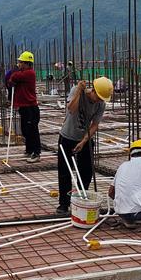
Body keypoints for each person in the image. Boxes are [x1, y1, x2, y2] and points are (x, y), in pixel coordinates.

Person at [56, 77, 113, 215]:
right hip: (67, 137)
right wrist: (79, 91)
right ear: (93, 90)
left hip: (84, 139)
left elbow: (95, 125)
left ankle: (81, 199)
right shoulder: (77, 91)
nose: (99, 100)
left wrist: (83, 141)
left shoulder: (101, 104)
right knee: (65, 172)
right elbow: (71, 109)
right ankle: (64, 204)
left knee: (86, 172)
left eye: (101, 98)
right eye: (98, 97)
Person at [8, 51, 42, 163]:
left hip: (30, 107)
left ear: (27, 63)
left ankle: (36, 152)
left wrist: (13, 76)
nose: (19, 64)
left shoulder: (29, 73)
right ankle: (29, 150)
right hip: (24, 107)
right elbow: (9, 79)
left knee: (32, 131)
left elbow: (14, 76)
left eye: (21, 62)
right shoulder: (23, 73)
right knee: (25, 130)